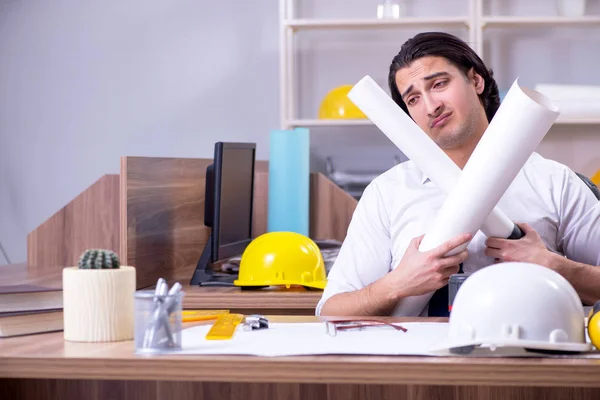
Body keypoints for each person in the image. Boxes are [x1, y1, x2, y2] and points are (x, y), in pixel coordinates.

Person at [316, 31, 600, 317]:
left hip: (527, 355)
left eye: (439, 84)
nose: (430, 106)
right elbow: (331, 310)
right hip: (416, 358)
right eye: (413, 99)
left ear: (475, 80)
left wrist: (553, 266)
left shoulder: (554, 182)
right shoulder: (387, 193)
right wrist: (399, 283)